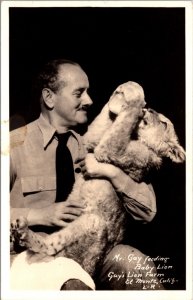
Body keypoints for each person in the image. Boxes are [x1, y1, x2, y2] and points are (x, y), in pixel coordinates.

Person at [10, 59, 163, 290]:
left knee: (137, 266)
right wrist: (38, 215)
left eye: (88, 92)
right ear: (49, 98)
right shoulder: (12, 146)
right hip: (32, 256)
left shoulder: (92, 144)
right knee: (71, 283)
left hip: (91, 250)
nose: (89, 100)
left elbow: (148, 212)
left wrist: (110, 172)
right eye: (79, 93)